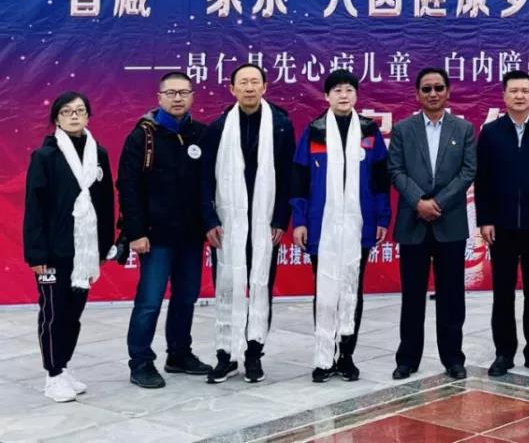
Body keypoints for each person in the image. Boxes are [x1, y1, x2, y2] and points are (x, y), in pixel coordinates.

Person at [292, 69, 390, 382]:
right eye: (337, 90)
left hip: (359, 223)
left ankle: (346, 356)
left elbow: (380, 179)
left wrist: (382, 217)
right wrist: (299, 221)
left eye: (349, 89)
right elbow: (299, 179)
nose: (343, 95)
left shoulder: (369, 131)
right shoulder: (314, 131)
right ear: (327, 96)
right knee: (324, 288)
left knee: (351, 288)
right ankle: (323, 358)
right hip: (320, 224)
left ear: (356, 95)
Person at [201, 63, 296, 384]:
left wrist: (280, 218)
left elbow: (287, 177)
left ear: (265, 87)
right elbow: (204, 179)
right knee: (227, 285)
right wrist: (209, 220)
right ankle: (225, 355)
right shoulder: (218, 128)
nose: (249, 88)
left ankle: (254, 354)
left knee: (260, 285)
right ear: (232, 89)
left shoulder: (281, 125)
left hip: (265, 222)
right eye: (243, 83)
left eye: (255, 82)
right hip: (227, 224)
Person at [119, 72, 212, 388]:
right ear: (159, 97)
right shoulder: (142, 136)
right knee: (149, 301)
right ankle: (141, 362)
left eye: (183, 92)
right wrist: (135, 232)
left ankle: (179, 354)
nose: (177, 98)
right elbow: (128, 187)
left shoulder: (201, 134)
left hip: (191, 235)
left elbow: (208, 184)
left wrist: (209, 224)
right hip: (155, 236)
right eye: (170, 93)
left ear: (192, 96)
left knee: (186, 297)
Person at [23, 91, 114, 402]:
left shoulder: (99, 154)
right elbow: (34, 208)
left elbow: (105, 202)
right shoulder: (45, 156)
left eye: (80, 110)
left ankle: (62, 366)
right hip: (53, 252)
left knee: (73, 313)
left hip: (84, 252)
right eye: (66, 111)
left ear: (88, 116)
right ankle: (52, 375)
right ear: (57, 119)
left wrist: (103, 247)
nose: (74, 116)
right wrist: (36, 254)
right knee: (53, 312)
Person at [389, 67, 477, 381]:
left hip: (449, 222)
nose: (433, 93)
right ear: (417, 94)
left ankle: (453, 358)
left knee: (451, 296)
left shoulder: (463, 129)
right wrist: (418, 202)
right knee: (412, 296)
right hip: (413, 223)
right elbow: (395, 170)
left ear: (448, 92)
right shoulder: (403, 129)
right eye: (426, 89)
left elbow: (468, 171)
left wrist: (438, 203)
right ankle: (407, 359)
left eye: (439, 88)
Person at [476, 70, 529, 378]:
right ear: (504, 96)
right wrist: (485, 219)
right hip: (500, 227)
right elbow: (482, 180)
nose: (519, 96)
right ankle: (504, 353)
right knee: (502, 293)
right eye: (513, 91)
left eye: (525, 91)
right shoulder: (491, 133)